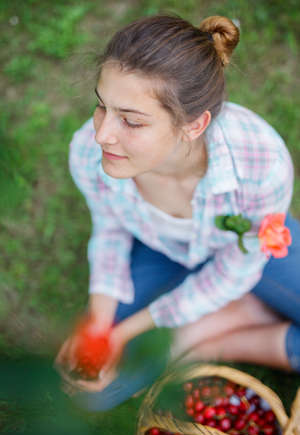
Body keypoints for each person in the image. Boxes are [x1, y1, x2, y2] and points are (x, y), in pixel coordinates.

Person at [55, 14, 300, 411]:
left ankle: (217, 333)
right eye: (102, 107)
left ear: (193, 124)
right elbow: (111, 230)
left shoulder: (260, 162)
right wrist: (101, 328)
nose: (101, 134)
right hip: (159, 248)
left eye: (131, 121)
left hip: (251, 254)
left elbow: (235, 268)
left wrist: (132, 330)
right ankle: (227, 316)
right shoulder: (88, 150)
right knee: (92, 391)